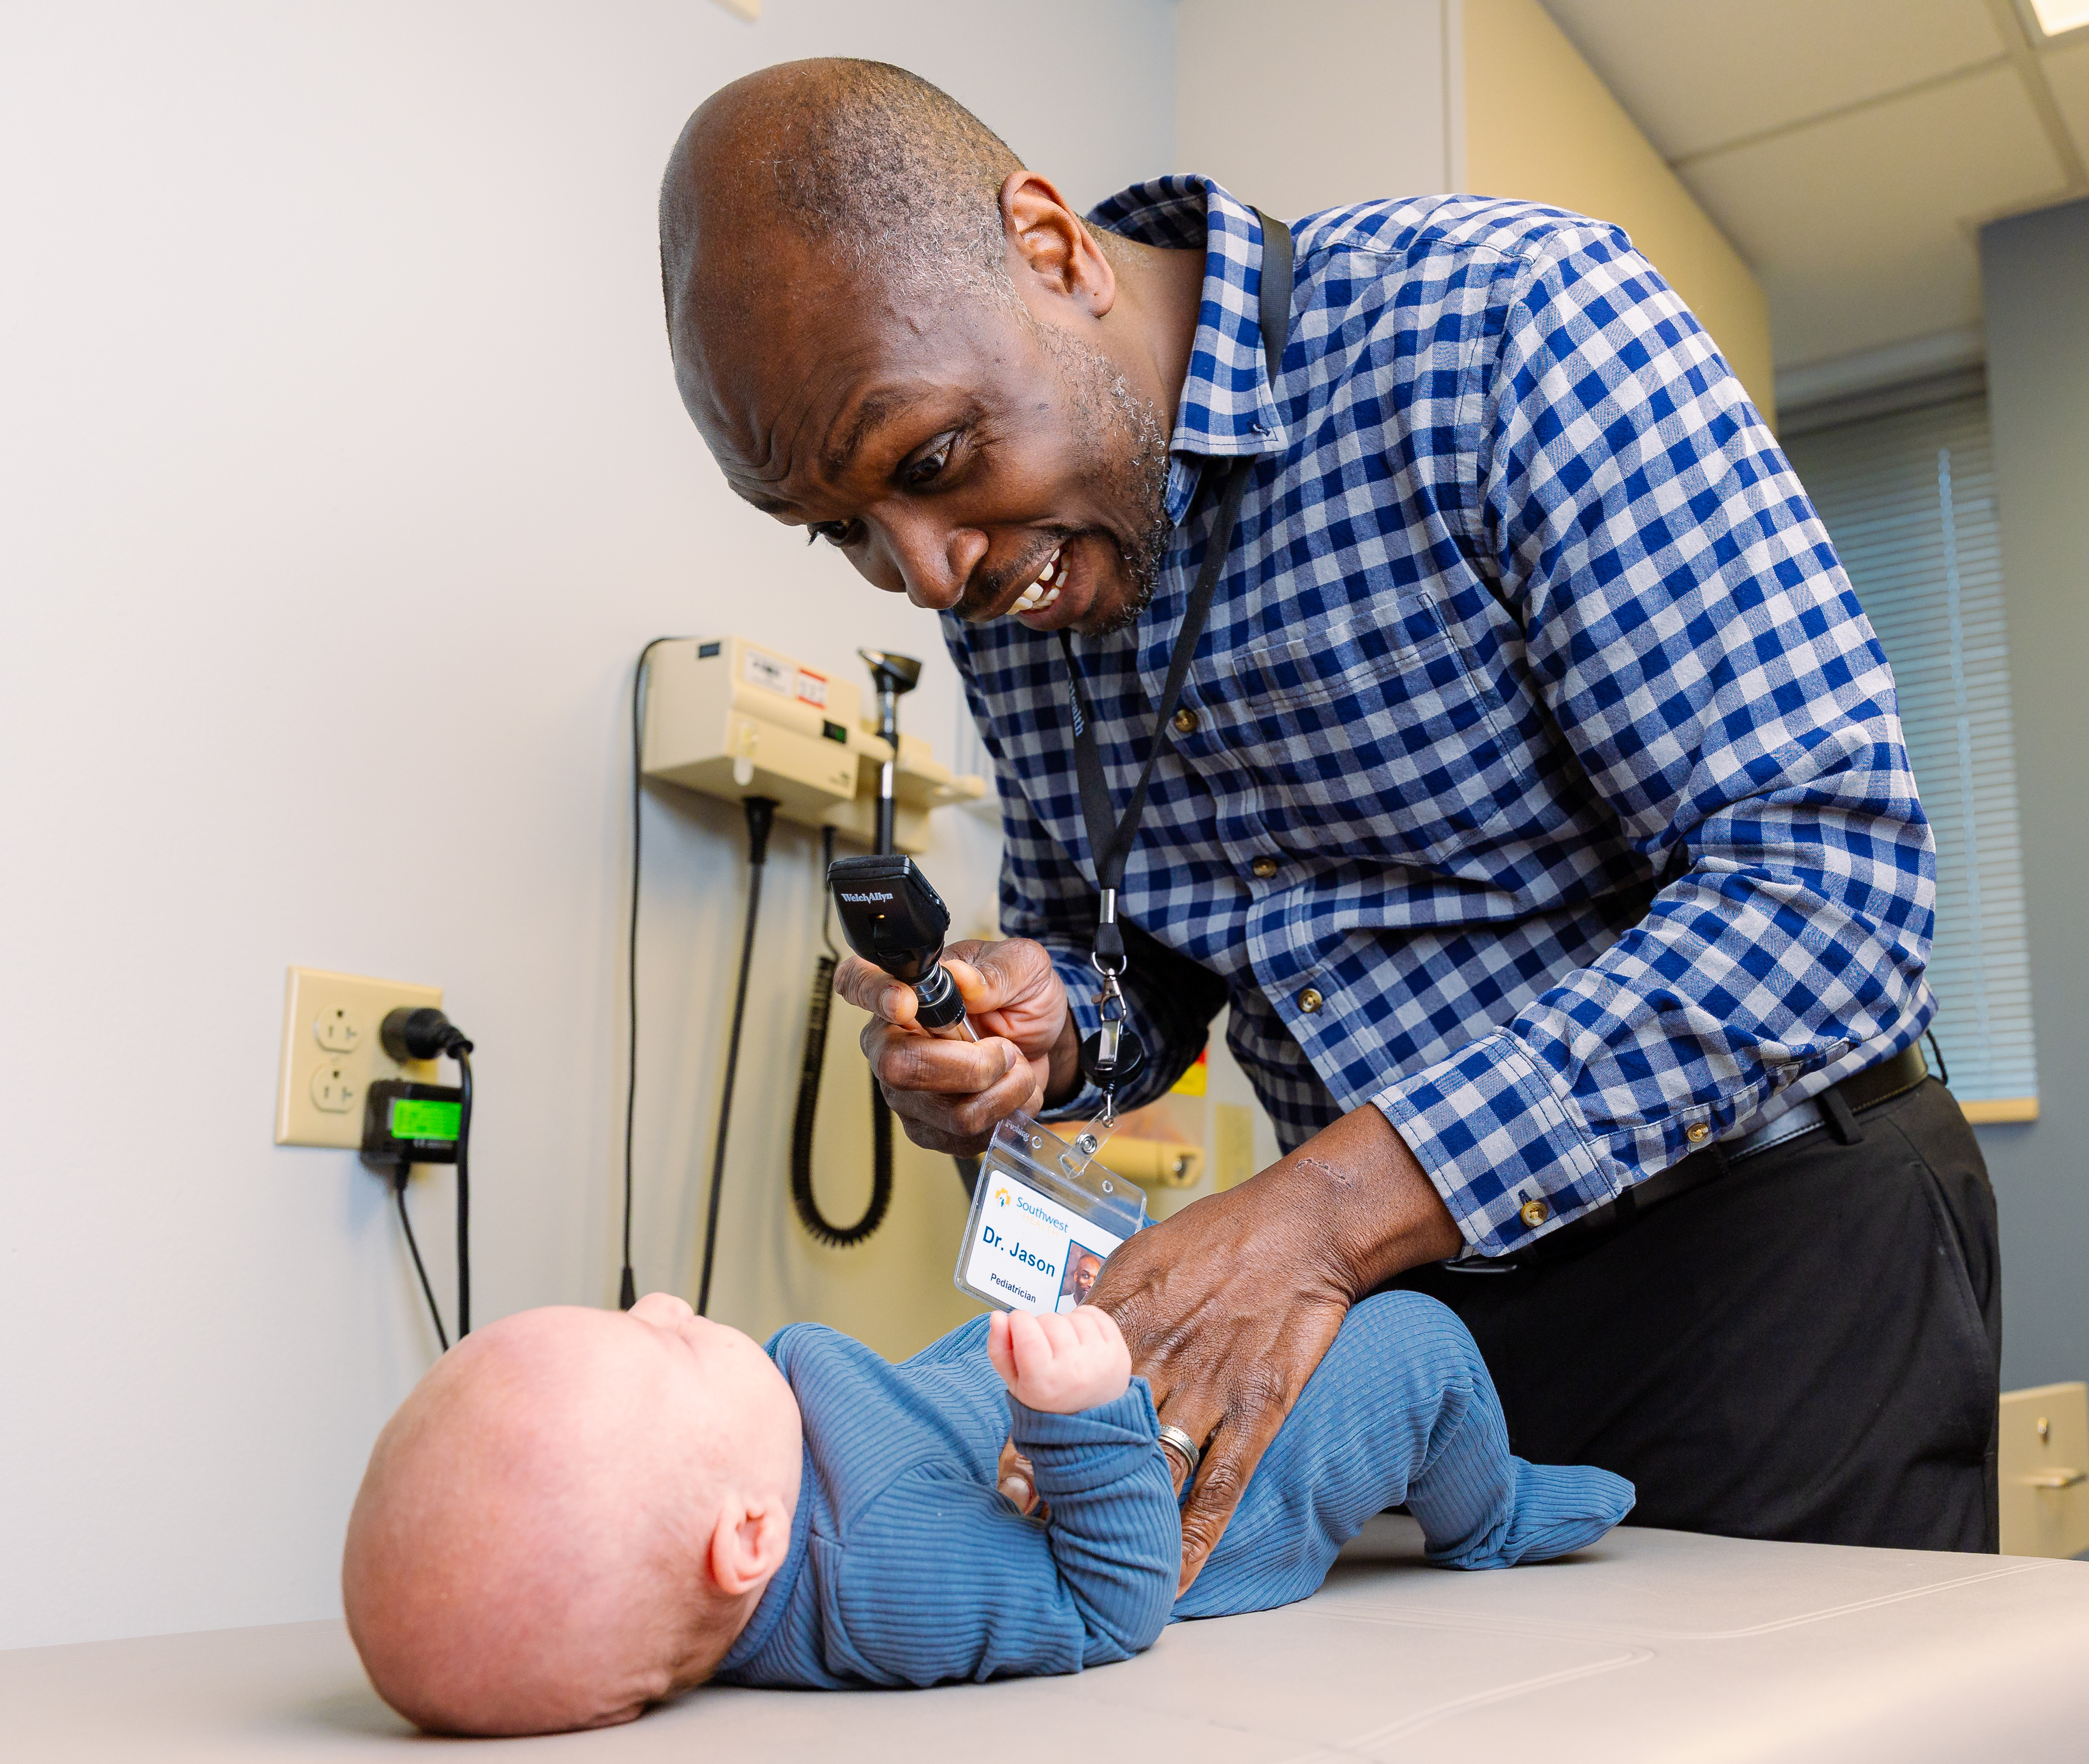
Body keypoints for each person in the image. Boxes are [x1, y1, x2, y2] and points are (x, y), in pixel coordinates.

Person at [658, 59, 2000, 1570]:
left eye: (935, 463)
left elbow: (1832, 893)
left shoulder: (1509, 328)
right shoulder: (1009, 566)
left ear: (1054, 248)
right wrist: (1048, 1030)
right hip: (1421, 1336)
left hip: (1767, 1255)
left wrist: (1320, 1217)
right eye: (844, 528)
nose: (924, 571)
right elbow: (1140, 960)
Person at [342, 1292, 1631, 1735]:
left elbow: (905, 1411)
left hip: (1075, 1393)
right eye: (667, 1351)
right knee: (1418, 1343)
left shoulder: (773, 1476)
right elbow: (1112, 1601)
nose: (671, 1305)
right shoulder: (887, 1565)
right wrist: (1082, 1411)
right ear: (746, 1541)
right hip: (1203, 1502)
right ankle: (1493, 1510)